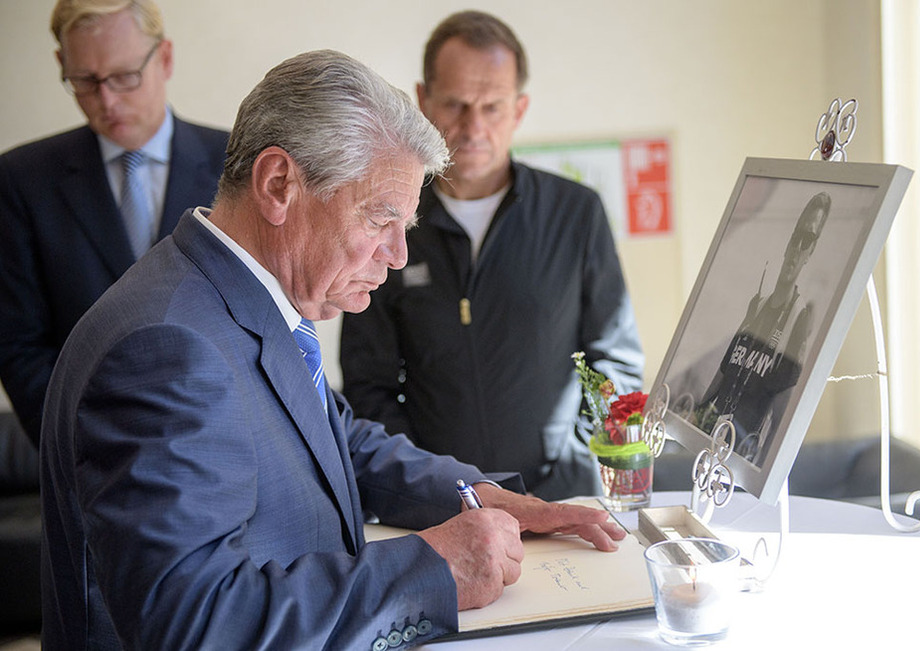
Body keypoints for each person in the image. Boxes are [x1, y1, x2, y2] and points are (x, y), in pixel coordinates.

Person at [39, 49, 626, 650]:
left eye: (406, 227)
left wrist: (485, 497)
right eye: (379, 220)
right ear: (278, 185)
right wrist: (432, 568)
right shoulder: (168, 350)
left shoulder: (241, 293)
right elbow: (198, 623)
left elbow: (331, 439)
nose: (398, 256)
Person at [340, 10, 644, 501]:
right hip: (444, 505)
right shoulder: (386, 220)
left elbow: (616, 360)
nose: (472, 126)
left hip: (565, 497)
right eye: (456, 104)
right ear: (423, 101)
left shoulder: (576, 213)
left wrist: (579, 456)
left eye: (492, 107)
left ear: (519, 109)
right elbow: (367, 384)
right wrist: (426, 482)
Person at [0, 0, 229, 448]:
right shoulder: (21, 179)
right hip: (87, 457)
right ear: (61, 64)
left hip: (227, 442)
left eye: (125, 76)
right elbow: (18, 345)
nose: (106, 100)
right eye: (84, 80)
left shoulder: (238, 164)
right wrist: (87, 446)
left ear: (164, 59)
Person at [692, 191, 832, 464]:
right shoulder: (757, 304)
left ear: (810, 252)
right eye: (796, 238)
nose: (798, 249)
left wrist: (762, 476)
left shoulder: (798, 319)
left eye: (808, 241)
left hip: (740, 456)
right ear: (788, 243)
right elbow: (722, 375)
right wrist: (693, 420)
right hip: (708, 445)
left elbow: (780, 422)